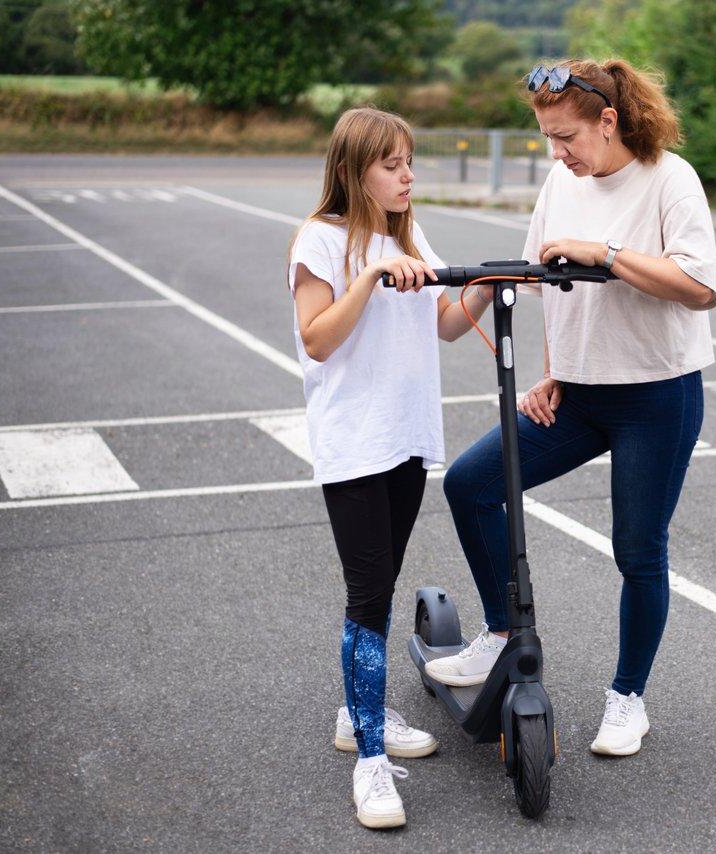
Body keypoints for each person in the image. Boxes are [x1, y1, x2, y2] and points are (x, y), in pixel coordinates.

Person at [426, 59, 716, 757]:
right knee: (470, 485)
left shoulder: (669, 179)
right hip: (579, 396)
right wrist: (554, 371)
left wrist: (607, 253)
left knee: (637, 550)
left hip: (657, 394)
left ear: (608, 120)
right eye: (548, 139)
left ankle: (627, 700)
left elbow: (699, 287)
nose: (558, 153)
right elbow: (540, 279)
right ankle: (501, 634)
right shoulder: (563, 181)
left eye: (566, 137)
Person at [286, 107, 494, 828]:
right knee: (368, 596)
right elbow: (317, 339)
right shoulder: (322, 240)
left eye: (410, 162)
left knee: (382, 582)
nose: (408, 176)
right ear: (353, 171)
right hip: (354, 441)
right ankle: (371, 764)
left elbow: (441, 321)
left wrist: (491, 286)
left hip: (407, 438)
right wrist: (371, 274)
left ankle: (358, 711)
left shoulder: (409, 233)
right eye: (392, 164)